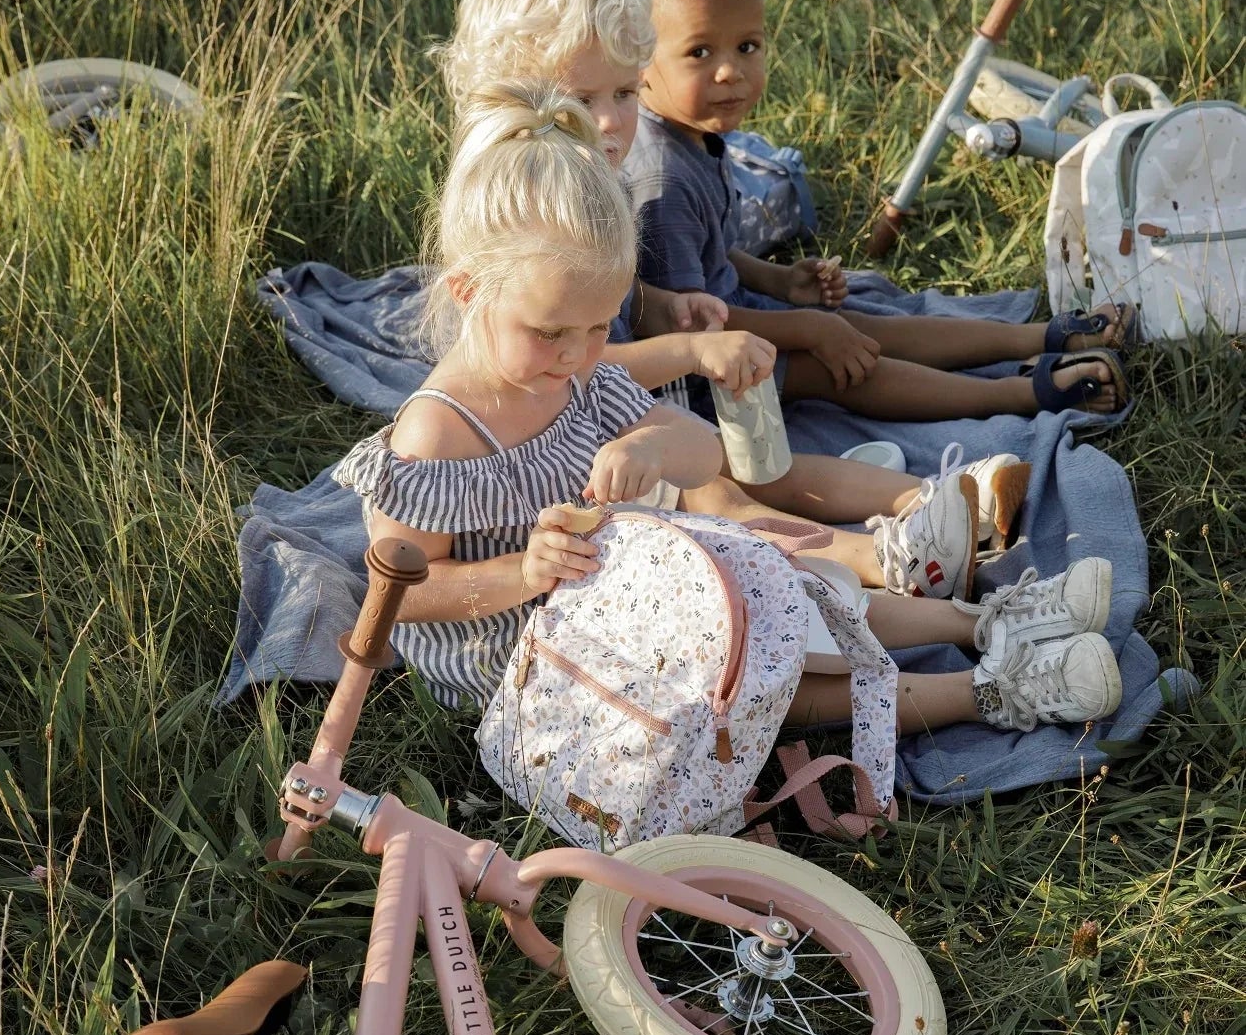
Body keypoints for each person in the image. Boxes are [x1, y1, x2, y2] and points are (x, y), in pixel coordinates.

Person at [332, 81, 1125, 743]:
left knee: (766, 576)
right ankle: (992, 693)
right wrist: (522, 573)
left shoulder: (567, 374)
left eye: (595, 325)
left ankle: (973, 623)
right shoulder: (438, 432)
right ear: (470, 290)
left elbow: (704, 458)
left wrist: (649, 443)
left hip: (626, 592)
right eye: (550, 332)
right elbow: (402, 594)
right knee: (737, 668)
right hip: (531, 655)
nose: (579, 353)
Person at [434, 0, 1034, 594]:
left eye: (625, 91)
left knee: (746, 463)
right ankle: (887, 560)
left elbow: (599, 303)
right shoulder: (522, 210)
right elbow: (559, 360)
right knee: (722, 496)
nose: (608, 120)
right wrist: (688, 348)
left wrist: (663, 306)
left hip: (620, 401)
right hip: (558, 436)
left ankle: (939, 506)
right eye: (581, 98)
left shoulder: (584, 177)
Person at [620, 0, 1136, 455]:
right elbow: (685, 322)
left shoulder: (693, 134)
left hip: (735, 319)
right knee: (844, 366)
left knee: (854, 327)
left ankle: (1040, 337)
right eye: (700, 52)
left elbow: (707, 257)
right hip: (705, 378)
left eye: (747, 46)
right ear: (637, 63)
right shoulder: (662, 180)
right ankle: (1021, 393)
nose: (731, 71)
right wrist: (806, 330)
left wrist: (779, 283)